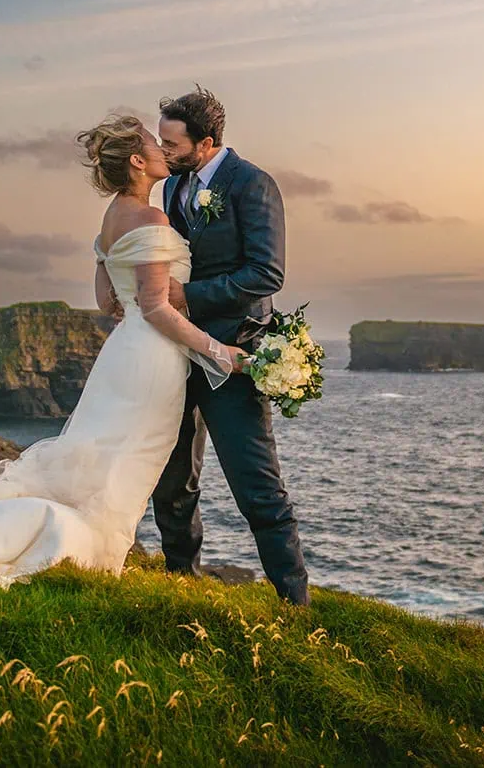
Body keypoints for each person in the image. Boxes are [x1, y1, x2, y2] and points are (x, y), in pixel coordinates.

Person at [0, 114, 245, 591]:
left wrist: (136, 295)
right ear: (137, 160)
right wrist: (220, 353)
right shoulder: (150, 217)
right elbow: (154, 307)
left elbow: (108, 301)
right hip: (151, 359)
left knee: (105, 457)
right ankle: (86, 559)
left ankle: (77, 551)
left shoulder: (112, 216)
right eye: (155, 143)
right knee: (126, 464)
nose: (163, 150)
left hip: (122, 356)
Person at [152, 86, 310, 607]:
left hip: (233, 356)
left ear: (207, 141)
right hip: (175, 352)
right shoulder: (173, 189)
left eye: (171, 142)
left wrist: (188, 296)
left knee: (257, 487)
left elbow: (268, 273)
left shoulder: (252, 185)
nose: (163, 150)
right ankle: (182, 581)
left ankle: (295, 604)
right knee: (173, 481)